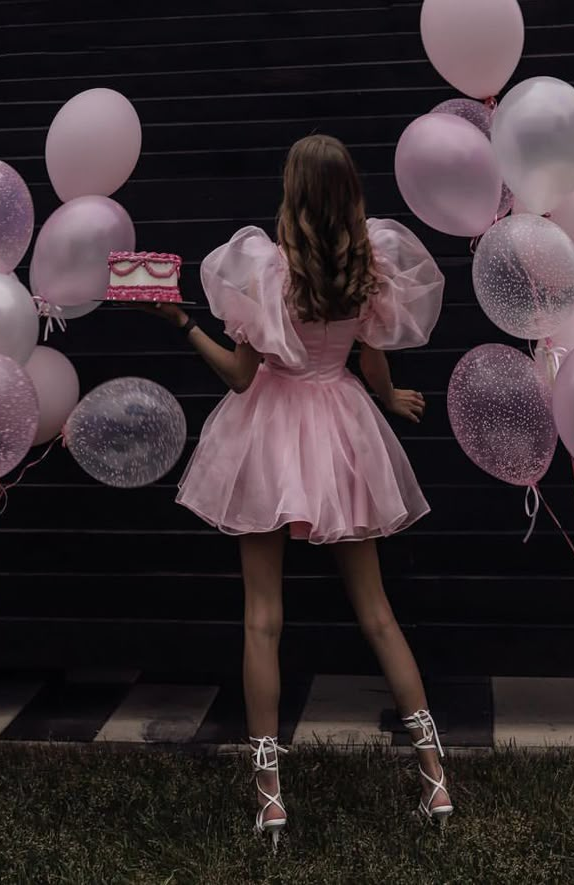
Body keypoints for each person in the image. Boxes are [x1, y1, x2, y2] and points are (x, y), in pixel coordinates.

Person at [146, 134, 452, 848]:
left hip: (271, 435)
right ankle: (436, 782)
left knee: (262, 619)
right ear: (349, 194)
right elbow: (370, 351)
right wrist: (389, 397)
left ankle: (271, 797)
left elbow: (242, 377)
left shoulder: (267, 272)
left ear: (294, 195)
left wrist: (183, 321)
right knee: (377, 614)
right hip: (343, 428)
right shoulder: (366, 267)